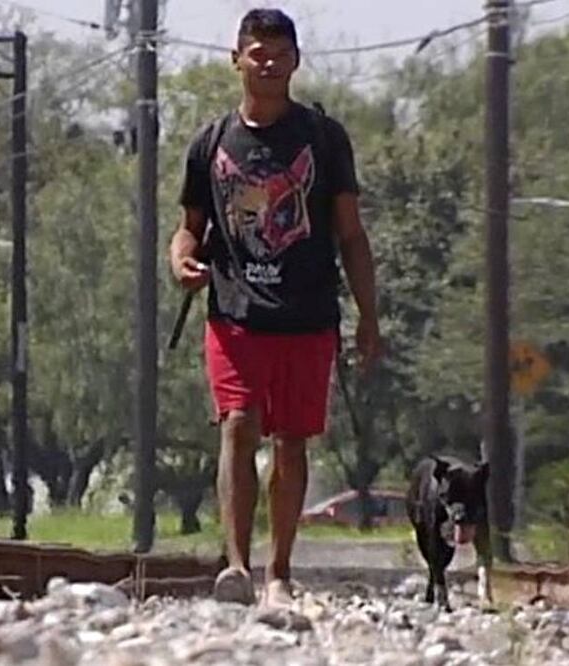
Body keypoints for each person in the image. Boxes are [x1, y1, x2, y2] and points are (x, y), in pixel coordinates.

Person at [170, 8, 381, 607]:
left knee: (291, 441)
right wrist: (181, 260)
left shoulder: (323, 137)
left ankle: (279, 572)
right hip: (234, 314)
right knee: (238, 426)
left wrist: (369, 315)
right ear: (235, 59)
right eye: (256, 50)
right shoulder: (211, 143)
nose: (267, 61)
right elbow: (188, 229)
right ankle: (236, 565)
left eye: (278, 51)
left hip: (309, 315)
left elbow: (351, 234)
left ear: (295, 60)